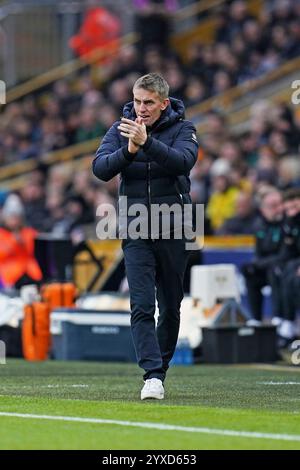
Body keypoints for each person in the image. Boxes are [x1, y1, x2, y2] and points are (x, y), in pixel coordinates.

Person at [93, 73, 198, 400]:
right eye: (137, 101)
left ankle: (160, 370)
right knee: (141, 302)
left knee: (170, 305)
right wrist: (130, 149)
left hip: (175, 225)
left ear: (163, 103)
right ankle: (151, 374)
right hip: (136, 226)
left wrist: (147, 143)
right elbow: (101, 168)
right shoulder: (120, 128)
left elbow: (182, 162)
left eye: (148, 102)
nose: (141, 108)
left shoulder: (184, 129)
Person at [241, 188, 284, 323]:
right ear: (263, 209)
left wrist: (262, 263)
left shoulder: (288, 223)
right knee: (249, 271)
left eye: (278, 205)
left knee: (274, 269)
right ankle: (256, 319)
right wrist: (256, 265)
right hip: (267, 264)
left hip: (283, 267)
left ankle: (279, 317)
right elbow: (258, 254)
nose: (277, 209)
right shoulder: (259, 225)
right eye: (272, 206)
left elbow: (285, 254)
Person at [0, 194, 42, 289]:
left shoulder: (29, 233)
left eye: (17, 217)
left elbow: (38, 250)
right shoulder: (1, 235)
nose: (14, 221)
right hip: (10, 277)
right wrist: (14, 242)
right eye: (11, 217)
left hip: (32, 274)